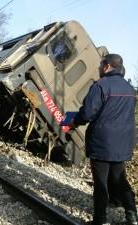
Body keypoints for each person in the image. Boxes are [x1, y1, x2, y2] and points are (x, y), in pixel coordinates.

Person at [70, 54, 137, 225]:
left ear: (107, 66)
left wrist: (73, 122)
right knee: (120, 179)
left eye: (100, 65)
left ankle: (100, 221)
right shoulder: (130, 89)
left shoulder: (100, 85)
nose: (99, 68)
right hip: (122, 143)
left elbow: (87, 113)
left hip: (102, 143)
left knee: (101, 183)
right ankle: (132, 216)